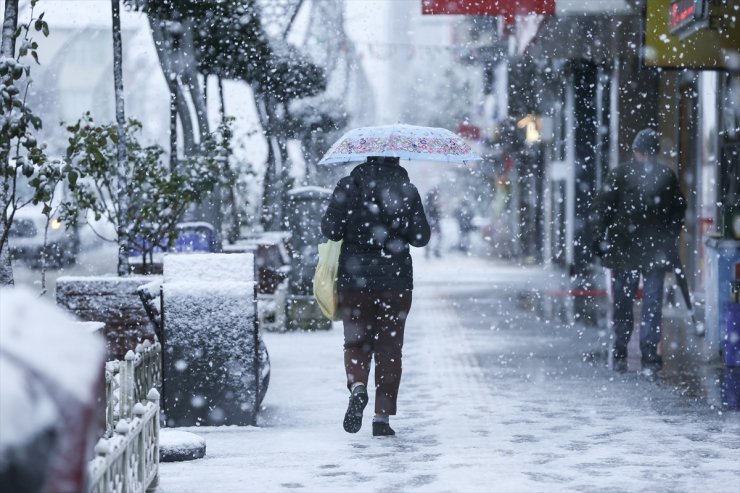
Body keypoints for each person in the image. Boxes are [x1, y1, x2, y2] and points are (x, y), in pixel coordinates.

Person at [321, 156, 430, 437]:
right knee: (389, 349)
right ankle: (381, 418)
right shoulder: (407, 189)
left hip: (354, 280)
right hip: (396, 281)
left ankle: (358, 387)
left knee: (356, 342)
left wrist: (352, 220)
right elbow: (421, 237)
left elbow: (330, 230)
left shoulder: (348, 185)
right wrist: (398, 227)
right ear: (396, 159)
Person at [589, 128, 686, 375]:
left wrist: (670, 234)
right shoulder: (624, 176)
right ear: (636, 153)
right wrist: (599, 236)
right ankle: (624, 347)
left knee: (648, 301)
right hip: (630, 249)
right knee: (626, 300)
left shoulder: (661, 176)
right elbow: (603, 209)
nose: (647, 158)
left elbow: (677, 210)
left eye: (650, 153)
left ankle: (647, 350)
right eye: (644, 153)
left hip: (644, 249)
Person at [424, 186, 442, 259]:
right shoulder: (430, 201)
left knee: (435, 236)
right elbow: (430, 211)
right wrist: (436, 208)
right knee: (435, 236)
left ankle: (432, 251)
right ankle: (433, 251)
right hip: (431, 220)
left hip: (432, 220)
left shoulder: (430, 200)